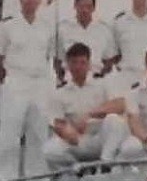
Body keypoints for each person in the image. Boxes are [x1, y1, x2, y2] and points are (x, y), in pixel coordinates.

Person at [0, 0, 61, 181]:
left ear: (40, 0)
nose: (30, 0)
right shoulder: (7, 26)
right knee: (10, 133)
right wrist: (6, 79)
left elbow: (50, 57)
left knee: (38, 133)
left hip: (39, 83)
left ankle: (37, 180)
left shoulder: (47, 27)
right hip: (16, 81)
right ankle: (5, 180)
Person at [42, 43, 125, 173]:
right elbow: (57, 122)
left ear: (89, 64)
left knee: (115, 120)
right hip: (78, 139)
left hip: (100, 139)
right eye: (74, 63)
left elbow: (120, 105)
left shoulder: (103, 84)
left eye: (82, 63)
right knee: (50, 150)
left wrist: (90, 115)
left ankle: (105, 163)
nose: (78, 67)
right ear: (68, 65)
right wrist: (68, 132)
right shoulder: (59, 93)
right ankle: (79, 171)